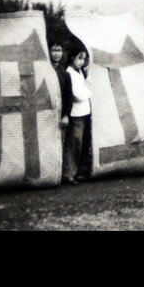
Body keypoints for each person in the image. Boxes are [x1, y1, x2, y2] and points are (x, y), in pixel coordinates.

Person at [64, 47, 92, 185]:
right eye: (79, 58)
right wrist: (88, 90)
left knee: (83, 143)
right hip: (76, 114)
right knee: (75, 143)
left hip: (85, 112)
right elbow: (78, 95)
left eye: (84, 59)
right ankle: (69, 173)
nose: (82, 62)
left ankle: (78, 172)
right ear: (72, 58)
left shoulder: (80, 72)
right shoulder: (69, 73)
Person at [49, 40, 73, 178]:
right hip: (46, 115)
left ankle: (58, 174)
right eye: (54, 50)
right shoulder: (44, 71)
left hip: (60, 115)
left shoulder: (65, 74)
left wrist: (66, 116)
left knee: (60, 143)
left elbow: (69, 97)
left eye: (59, 50)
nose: (56, 54)